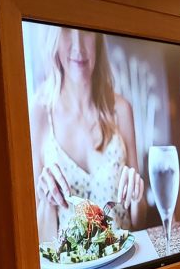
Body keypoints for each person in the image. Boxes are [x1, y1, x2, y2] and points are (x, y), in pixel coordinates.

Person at [29, 26, 146, 242]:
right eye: (65, 29)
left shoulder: (121, 109)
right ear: (53, 38)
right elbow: (41, 242)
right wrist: (46, 201)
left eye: (86, 32)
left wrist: (138, 196)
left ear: (99, 39)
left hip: (125, 266)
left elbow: (139, 223)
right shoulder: (38, 113)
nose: (78, 46)